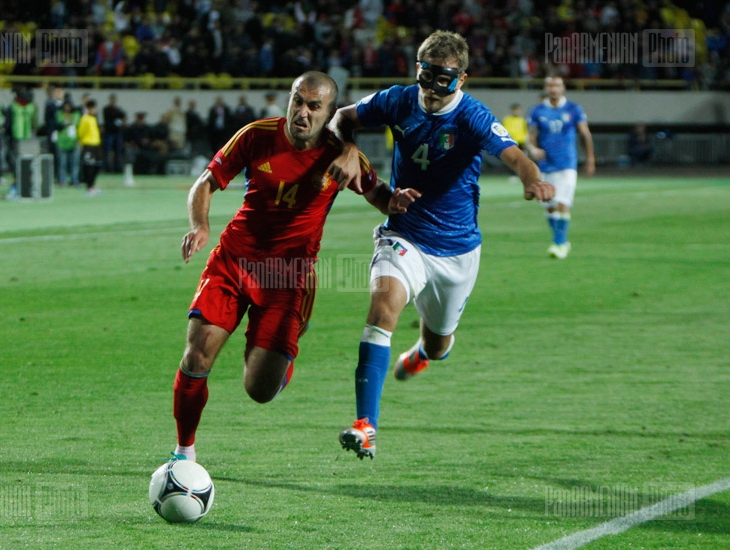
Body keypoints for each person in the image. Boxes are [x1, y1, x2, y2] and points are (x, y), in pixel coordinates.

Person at [326, 30, 555, 459]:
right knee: (381, 308)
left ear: (461, 79)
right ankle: (366, 424)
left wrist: (533, 179)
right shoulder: (397, 100)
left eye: (443, 80)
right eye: (425, 76)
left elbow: (516, 156)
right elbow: (341, 118)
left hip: (457, 249)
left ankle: (423, 354)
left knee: (438, 344)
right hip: (405, 233)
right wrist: (348, 151)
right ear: (417, 70)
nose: (431, 89)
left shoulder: (472, 116)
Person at [169, 71, 411, 463]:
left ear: (330, 112)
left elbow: (378, 193)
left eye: (314, 106)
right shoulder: (256, 134)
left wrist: (395, 200)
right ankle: (184, 454)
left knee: (260, 390)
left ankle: (287, 342)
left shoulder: (342, 155)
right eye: (297, 100)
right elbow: (206, 182)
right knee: (196, 356)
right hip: (234, 261)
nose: (302, 112)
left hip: (287, 279)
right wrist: (200, 226)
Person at [527, 75, 595, 260]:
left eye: (557, 85)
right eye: (550, 85)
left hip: (566, 164)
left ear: (563, 88)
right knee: (549, 207)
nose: (553, 88)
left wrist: (590, 159)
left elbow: (585, 134)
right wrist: (533, 149)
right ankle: (561, 241)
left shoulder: (573, 109)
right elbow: (531, 136)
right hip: (545, 165)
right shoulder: (537, 111)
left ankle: (559, 243)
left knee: (562, 204)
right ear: (546, 88)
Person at [77, 99, 102, 195]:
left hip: (96, 145)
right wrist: (81, 142)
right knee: (89, 166)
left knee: (97, 166)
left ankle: (93, 186)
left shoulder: (93, 118)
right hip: (88, 145)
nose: (94, 110)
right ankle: (89, 187)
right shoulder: (85, 119)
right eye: (93, 108)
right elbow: (81, 132)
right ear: (88, 108)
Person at [54, 101, 81, 187]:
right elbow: (58, 123)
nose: (67, 108)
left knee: (74, 164)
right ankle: (62, 180)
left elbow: (76, 123)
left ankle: (74, 180)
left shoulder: (76, 114)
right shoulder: (59, 114)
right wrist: (66, 122)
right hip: (62, 142)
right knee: (62, 164)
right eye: (66, 106)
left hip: (73, 142)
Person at [102, 93, 126, 173]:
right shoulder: (106, 109)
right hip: (109, 133)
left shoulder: (118, 109)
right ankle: (107, 168)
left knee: (118, 152)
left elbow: (123, 117)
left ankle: (117, 168)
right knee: (107, 151)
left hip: (117, 133)